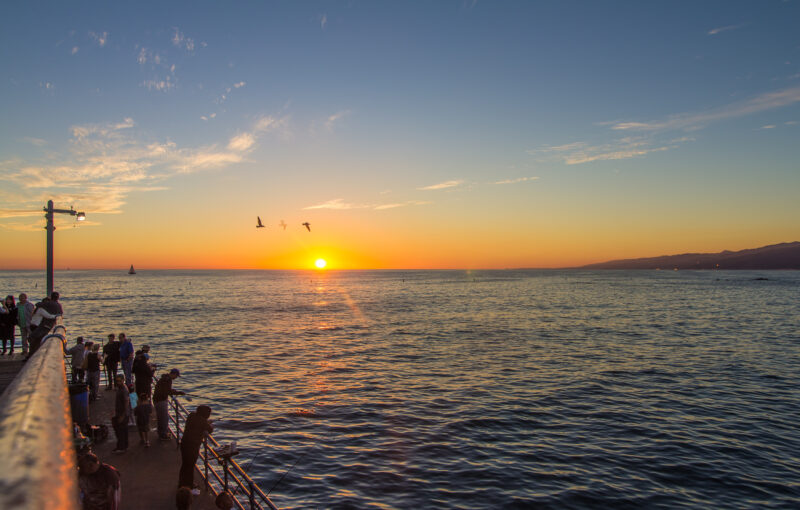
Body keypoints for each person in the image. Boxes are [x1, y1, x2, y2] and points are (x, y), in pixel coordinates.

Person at [178, 405, 214, 488]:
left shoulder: (192, 415)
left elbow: (199, 423)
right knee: (190, 466)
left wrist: (206, 422)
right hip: (193, 446)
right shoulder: (202, 422)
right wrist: (209, 424)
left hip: (184, 443)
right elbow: (210, 429)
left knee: (185, 465)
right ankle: (189, 485)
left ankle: (181, 483)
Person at [154, 368, 185, 440]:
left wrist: (176, 392)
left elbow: (167, 390)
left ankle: (161, 433)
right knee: (164, 418)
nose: (176, 378)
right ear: (173, 374)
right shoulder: (167, 380)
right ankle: (163, 435)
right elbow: (167, 391)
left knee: (160, 418)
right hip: (160, 400)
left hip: (157, 399)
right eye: (176, 376)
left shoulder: (165, 378)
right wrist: (178, 393)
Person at [111, 375, 130, 454]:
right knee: (122, 430)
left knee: (120, 430)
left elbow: (126, 402)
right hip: (119, 412)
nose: (118, 382)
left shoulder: (124, 390)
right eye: (117, 381)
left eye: (119, 381)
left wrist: (123, 415)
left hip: (122, 413)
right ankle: (123, 445)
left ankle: (121, 446)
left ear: (123, 380)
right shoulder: (120, 388)